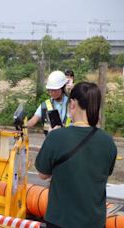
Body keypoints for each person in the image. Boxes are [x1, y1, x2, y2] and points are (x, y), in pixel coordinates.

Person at [35, 82, 117, 228]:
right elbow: (105, 172)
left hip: (61, 219)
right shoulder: (108, 142)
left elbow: (42, 174)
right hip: (94, 221)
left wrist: (51, 137)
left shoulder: (56, 137)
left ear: (72, 104)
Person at [27, 70, 71, 135]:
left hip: (68, 141)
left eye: (55, 90)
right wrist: (23, 126)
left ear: (62, 88)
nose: (51, 93)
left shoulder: (71, 104)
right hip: (51, 141)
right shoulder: (45, 105)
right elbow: (33, 120)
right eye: (50, 90)